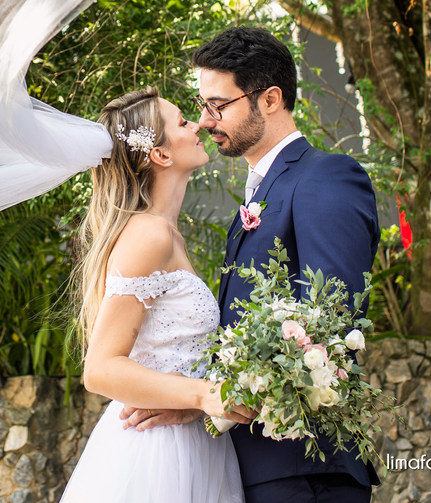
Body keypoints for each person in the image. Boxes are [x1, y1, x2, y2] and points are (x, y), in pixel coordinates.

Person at [122, 27, 381, 503]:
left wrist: (208, 402)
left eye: (217, 105)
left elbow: (328, 327)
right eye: (201, 106)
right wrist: (204, 407)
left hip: (306, 470)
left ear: (270, 99)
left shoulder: (325, 177)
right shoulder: (260, 194)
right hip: (255, 467)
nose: (204, 120)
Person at [60, 87, 249, 503]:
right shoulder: (149, 234)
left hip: (192, 437)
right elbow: (100, 369)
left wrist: (200, 404)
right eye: (182, 122)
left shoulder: (167, 234)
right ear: (160, 156)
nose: (199, 124)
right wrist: (205, 394)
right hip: (158, 454)